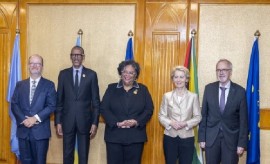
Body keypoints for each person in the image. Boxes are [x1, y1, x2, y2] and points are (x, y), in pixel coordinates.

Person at [100, 60, 154, 164]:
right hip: (114, 136)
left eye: (131, 72)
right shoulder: (111, 88)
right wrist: (116, 123)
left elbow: (149, 109)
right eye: (124, 71)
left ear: (136, 75)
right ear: (120, 73)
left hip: (135, 137)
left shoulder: (143, 90)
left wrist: (137, 121)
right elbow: (104, 108)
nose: (127, 75)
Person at [54, 46, 100, 164]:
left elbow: (95, 102)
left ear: (83, 57)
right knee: (67, 155)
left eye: (79, 55)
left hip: (85, 122)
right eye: (73, 55)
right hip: (67, 121)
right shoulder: (63, 74)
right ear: (70, 57)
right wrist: (58, 121)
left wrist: (95, 123)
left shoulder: (91, 75)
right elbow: (59, 100)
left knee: (83, 155)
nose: (76, 57)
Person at [198, 59, 248, 164]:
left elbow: (243, 120)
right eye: (218, 70)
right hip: (211, 139)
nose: (221, 72)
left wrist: (241, 143)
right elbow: (204, 115)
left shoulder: (240, 91)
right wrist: (202, 138)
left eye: (224, 69)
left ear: (230, 72)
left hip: (231, 140)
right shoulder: (209, 89)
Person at [11, 54, 56, 164]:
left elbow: (52, 105)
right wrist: (24, 119)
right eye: (32, 63)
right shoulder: (20, 85)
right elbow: (14, 104)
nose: (34, 65)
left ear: (42, 66)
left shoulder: (49, 85)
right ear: (28, 65)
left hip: (40, 133)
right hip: (23, 131)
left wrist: (34, 118)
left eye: (38, 63)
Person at [158, 66, 202, 164]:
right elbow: (161, 115)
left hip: (187, 137)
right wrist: (171, 122)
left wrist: (186, 123)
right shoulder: (167, 96)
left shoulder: (193, 97)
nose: (178, 80)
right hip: (170, 137)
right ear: (173, 79)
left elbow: (198, 117)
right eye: (176, 77)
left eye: (181, 77)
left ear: (186, 79)